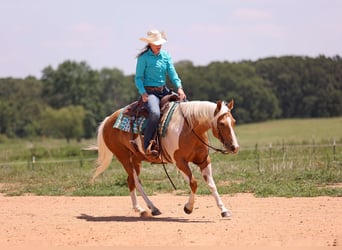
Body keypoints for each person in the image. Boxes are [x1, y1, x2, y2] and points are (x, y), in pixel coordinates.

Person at [135, 29, 187, 156]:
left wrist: (179, 88)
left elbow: (172, 73)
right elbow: (138, 78)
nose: (159, 45)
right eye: (156, 43)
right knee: (154, 113)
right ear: (150, 44)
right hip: (150, 93)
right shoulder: (143, 58)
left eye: (160, 43)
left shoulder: (166, 56)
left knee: (186, 106)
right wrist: (143, 92)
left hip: (164, 91)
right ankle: (148, 144)